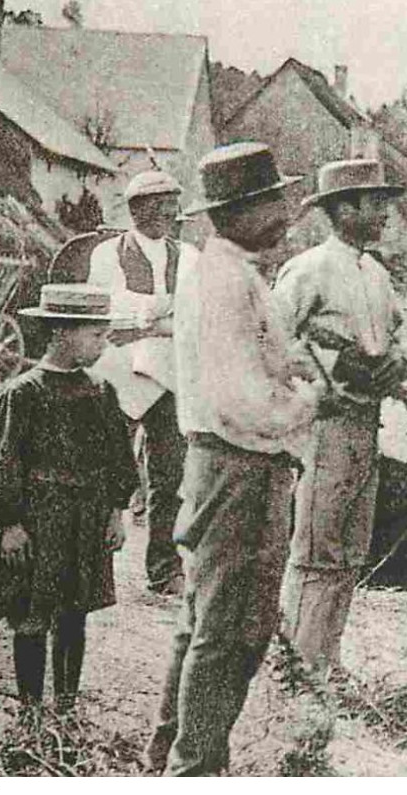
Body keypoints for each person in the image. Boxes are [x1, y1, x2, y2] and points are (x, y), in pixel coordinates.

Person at [145, 143, 320, 776]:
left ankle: (175, 758)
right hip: (238, 466)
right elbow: (242, 401)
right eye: (273, 203)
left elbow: (262, 364)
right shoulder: (222, 281)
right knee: (233, 632)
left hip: (236, 464)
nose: (284, 215)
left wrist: (293, 364)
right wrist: (312, 398)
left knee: (205, 625)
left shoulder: (238, 273)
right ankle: (192, 770)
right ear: (238, 212)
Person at [273, 159, 407, 673]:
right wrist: (333, 363)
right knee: (315, 544)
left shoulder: (376, 273)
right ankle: (297, 664)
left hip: (365, 425)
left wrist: (394, 365)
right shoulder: (307, 270)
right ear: (344, 209)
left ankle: (326, 658)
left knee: (351, 547)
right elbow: (276, 341)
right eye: (376, 205)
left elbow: (394, 337)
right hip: (323, 424)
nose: (386, 217)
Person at [0, 284, 139, 713]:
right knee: (33, 614)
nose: (102, 345)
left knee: (74, 613)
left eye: (105, 336)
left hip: (85, 519)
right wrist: (9, 523)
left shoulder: (102, 393)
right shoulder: (24, 393)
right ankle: (31, 707)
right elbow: (2, 460)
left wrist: (115, 513)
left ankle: (66, 705)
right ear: (61, 333)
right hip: (38, 520)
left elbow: (118, 461)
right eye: (95, 336)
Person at [88, 170, 196, 596]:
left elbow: (193, 315)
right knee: (109, 469)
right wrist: (162, 313)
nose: (159, 213)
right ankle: (96, 561)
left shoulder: (189, 257)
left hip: (170, 377)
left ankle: (164, 567)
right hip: (119, 375)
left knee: (170, 477)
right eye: (148, 205)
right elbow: (109, 310)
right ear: (133, 210)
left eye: (166, 204)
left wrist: (145, 321)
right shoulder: (106, 254)